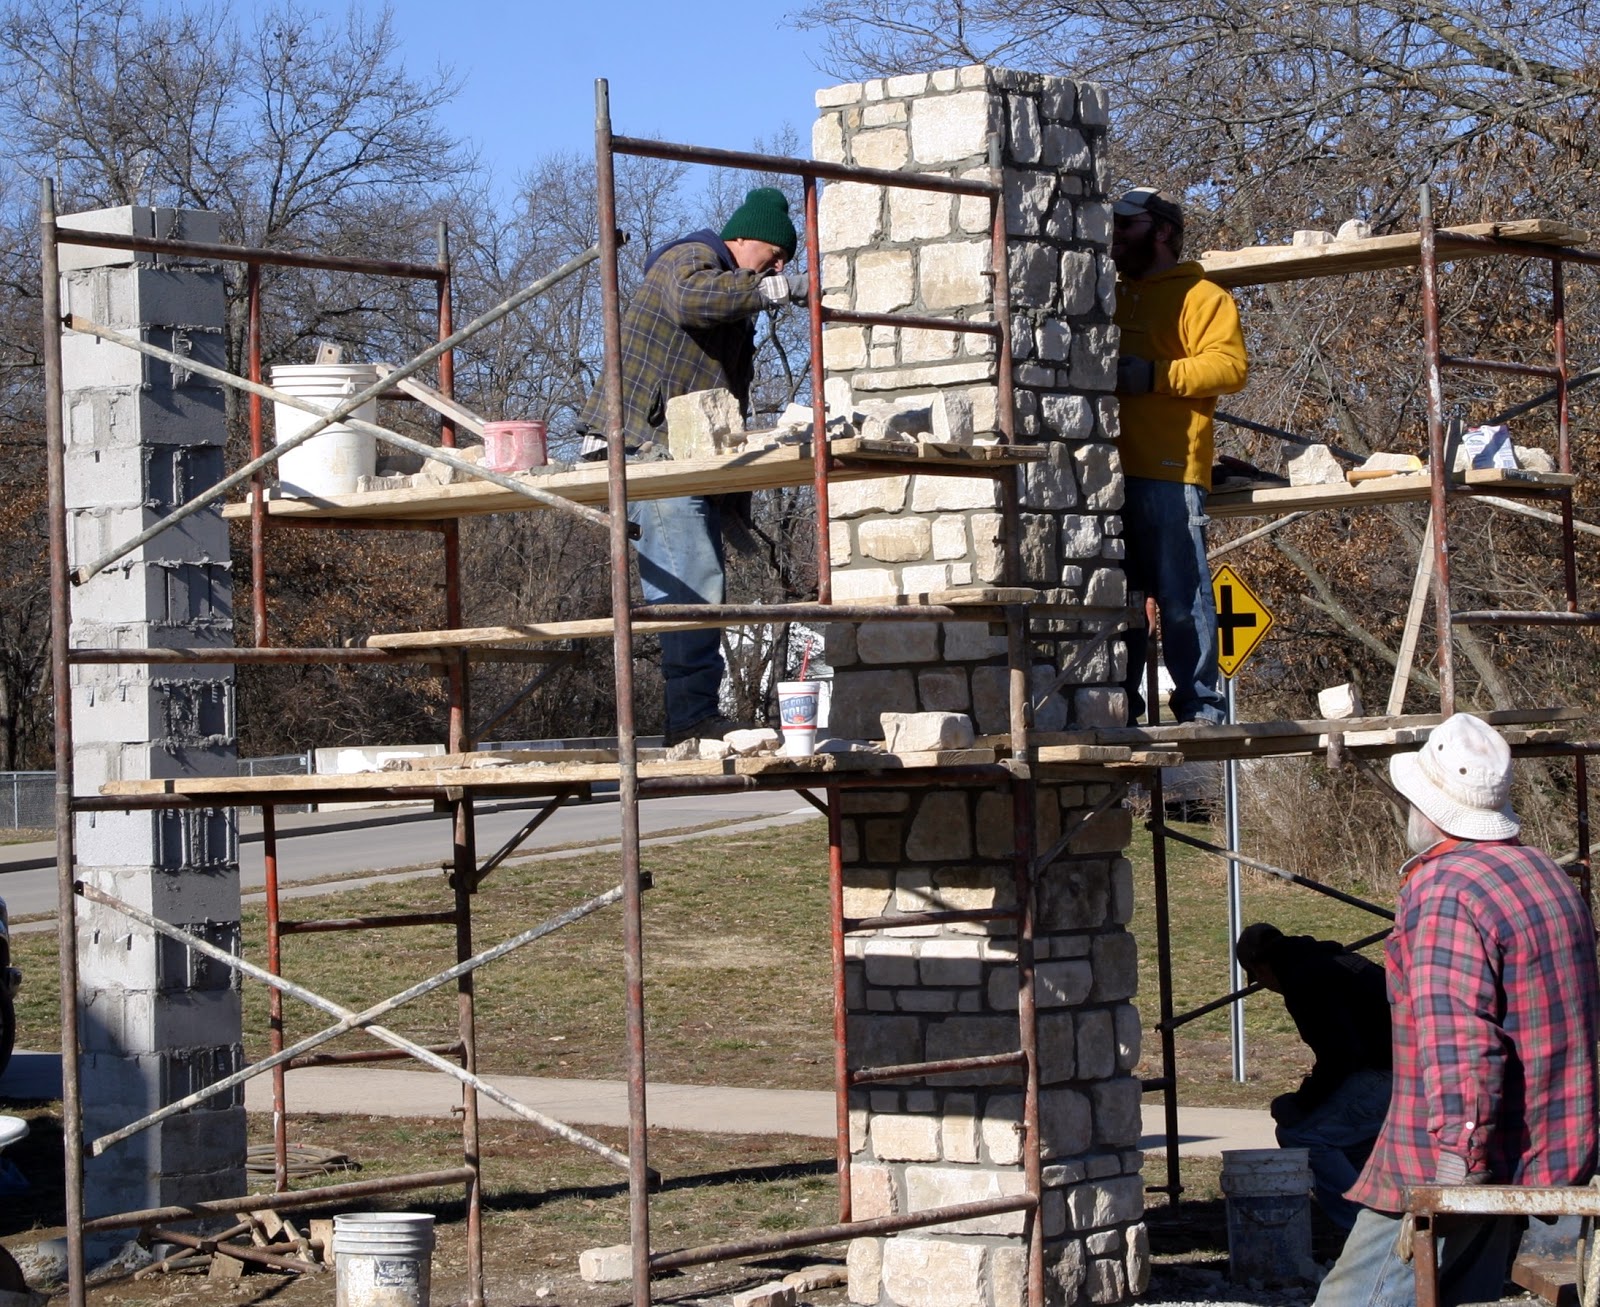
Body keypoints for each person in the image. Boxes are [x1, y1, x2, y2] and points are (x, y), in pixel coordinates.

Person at [1313, 712, 1599, 1307]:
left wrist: (1454, 1173)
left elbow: (1461, 1040)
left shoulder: (1446, 892)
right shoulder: (1544, 872)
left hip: (1456, 1159)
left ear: (1429, 808)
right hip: (1532, 1150)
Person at [576, 187, 801, 749]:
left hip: (664, 451)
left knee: (696, 577)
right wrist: (771, 289)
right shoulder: (688, 258)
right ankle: (691, 719)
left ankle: (693, 714)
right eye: (772, 256)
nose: (776, 268)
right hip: (638, 446)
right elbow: (691, 300)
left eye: (781, 266)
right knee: (692, 580)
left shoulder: (728, 288)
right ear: (742, 238)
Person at [1111, 186, 1248, 725]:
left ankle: (1199, 707)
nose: (1116, 237)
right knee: (1117, 604)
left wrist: (1156, 375)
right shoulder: (1109, 293)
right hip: (1105, 476)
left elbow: (1230, 368)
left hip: (1169, 470)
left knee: (1181, 597)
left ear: (1162, 231)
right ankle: (1119, 706)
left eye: (1128, 225)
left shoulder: (1202, 296)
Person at [1235, 923, 1392, 1233]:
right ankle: (1382, 1217)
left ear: (1260, 967)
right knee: (1348, 1145)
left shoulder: (1303, 979)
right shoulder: (1334, 960)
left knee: (1302, 1137)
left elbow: (1341, 1056)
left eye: (1260, 979)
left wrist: (1301, 1103)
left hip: (1386, 1073)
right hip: (1417, 1067)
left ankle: (1366, 1236)